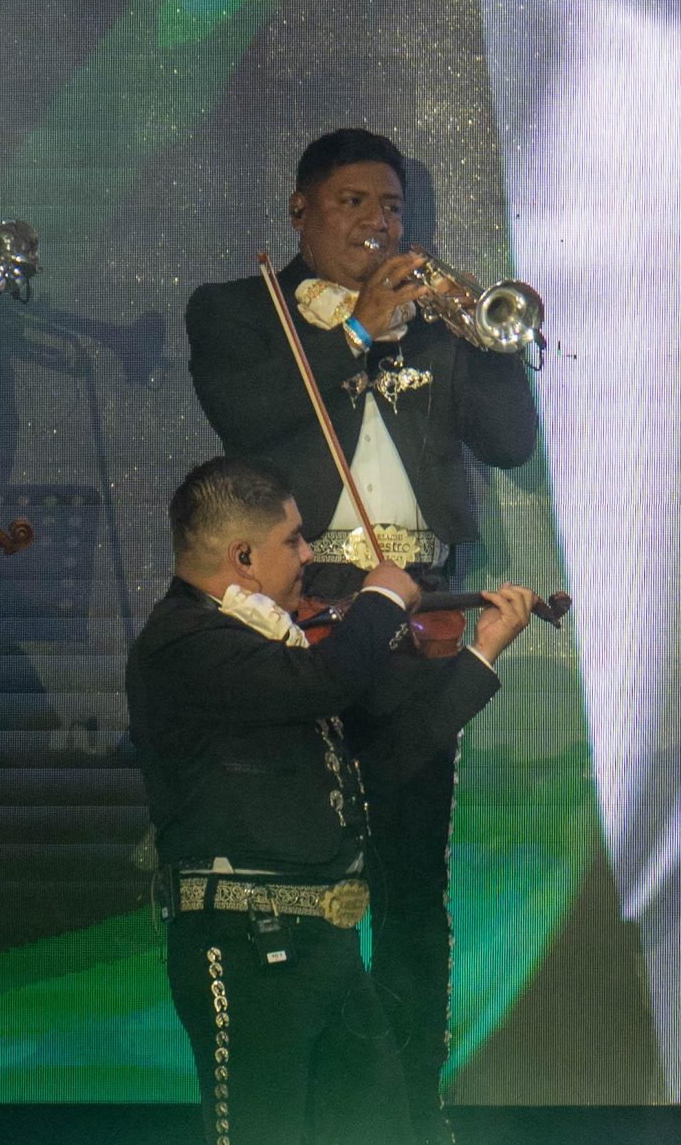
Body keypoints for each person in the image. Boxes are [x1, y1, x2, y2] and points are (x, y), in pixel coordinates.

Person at [184, 128, 540, 1139]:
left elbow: (510, 444)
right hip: (297, 618)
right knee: (306, 877)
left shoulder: (432, 321)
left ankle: (413, 1108)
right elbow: (245, 422)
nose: (378, 222)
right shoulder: (240, 309)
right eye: (353, 202)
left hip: (419, 625)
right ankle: (312, 1108)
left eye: (390, 205)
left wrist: (485, 339)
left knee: (413, 883)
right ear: (300, 210)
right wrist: (354, 333)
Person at [127, 457, 537, 1145]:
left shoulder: (277, 645)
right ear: (243, 556)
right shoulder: (183, 643)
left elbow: (388, 757)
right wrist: (381, 598)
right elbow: (327, 680)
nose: (309, 555)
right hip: (243, 948)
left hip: (329, 948)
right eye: (293, 539)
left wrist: (483, 654)